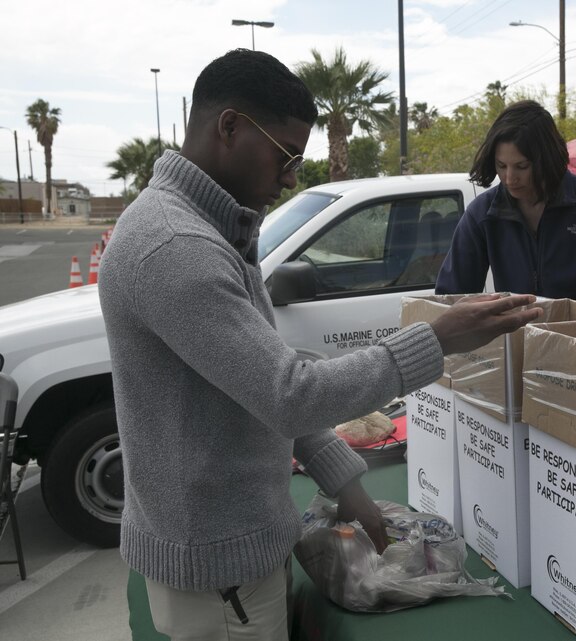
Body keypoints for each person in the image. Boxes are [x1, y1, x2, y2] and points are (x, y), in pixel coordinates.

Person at [98, 49, 541, 641]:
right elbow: (289, 395)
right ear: (228, 126)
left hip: (235, 550)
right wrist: (437, 338)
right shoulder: (175, 247)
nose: (289, 177)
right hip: (216, 567)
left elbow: (260, 385)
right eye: (286, 156)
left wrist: (347, 485)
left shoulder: (210, 228)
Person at [435, 100, 576, 303]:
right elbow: (450, 298)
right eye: (501, 166)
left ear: (547, 159)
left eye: (522, 166)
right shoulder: (482, 214)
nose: (509, 178)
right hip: (514, 334)